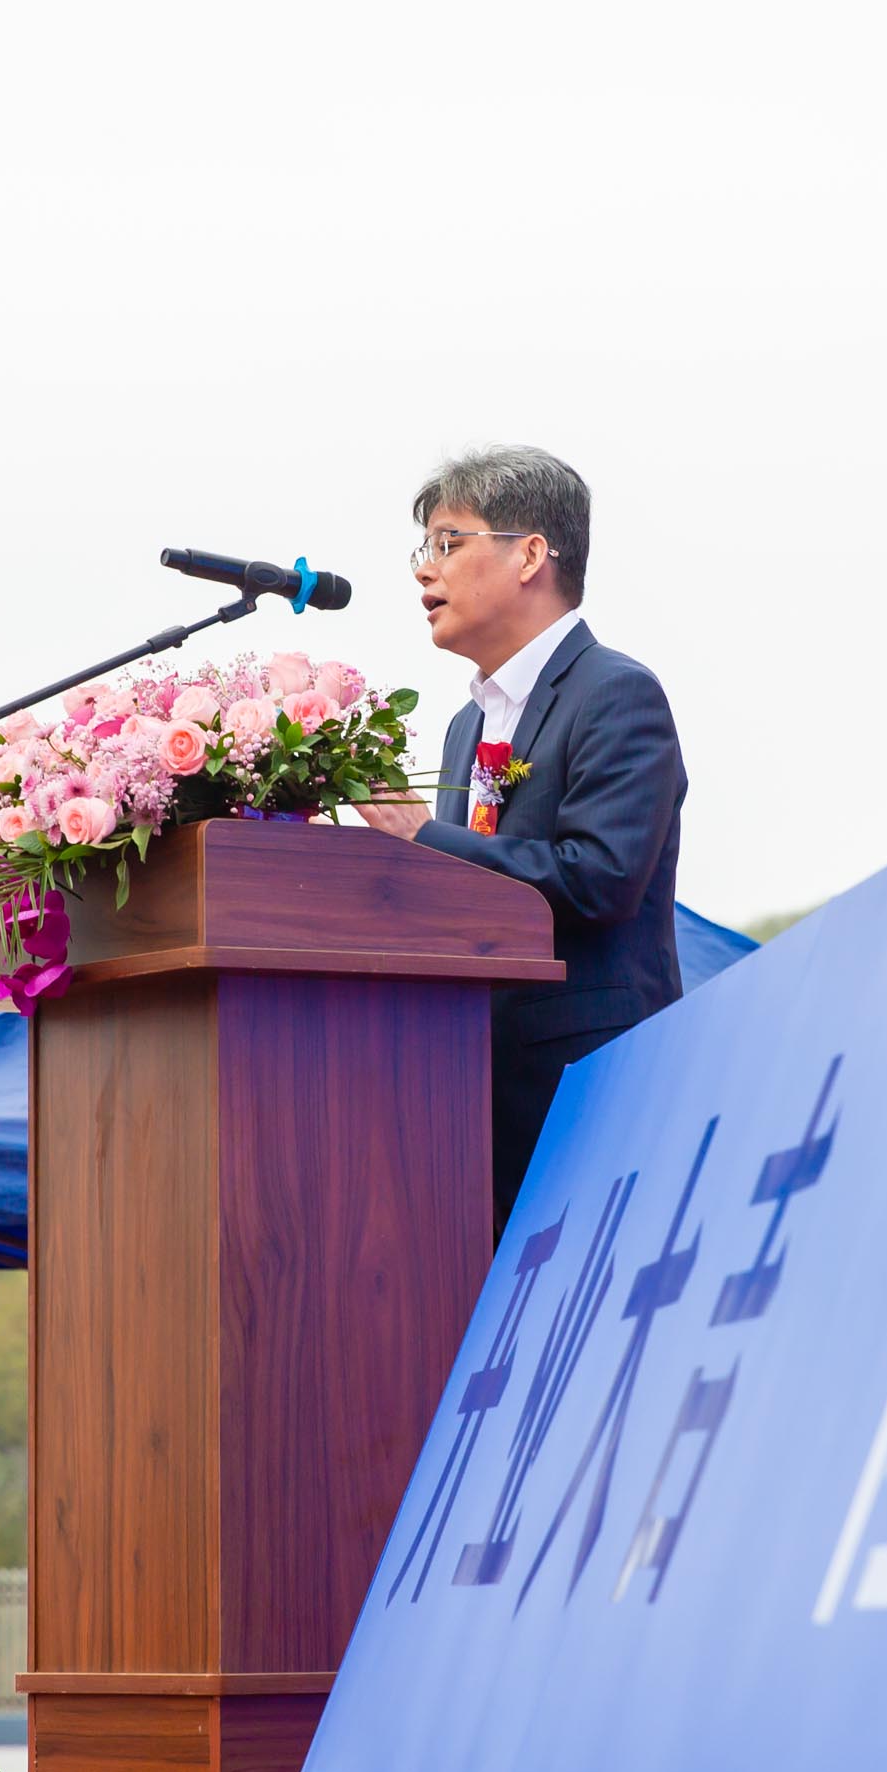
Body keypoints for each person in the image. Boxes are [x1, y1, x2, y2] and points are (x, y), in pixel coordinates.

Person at [359, 446, 689, 1232]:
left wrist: (425, 836)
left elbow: (600, 878)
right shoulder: (463, 725)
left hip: (594, 1093)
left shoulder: (615, 692)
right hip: (472, 1101)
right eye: (424, 548)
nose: (425, 569)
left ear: (530, 555)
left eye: (448, 542)